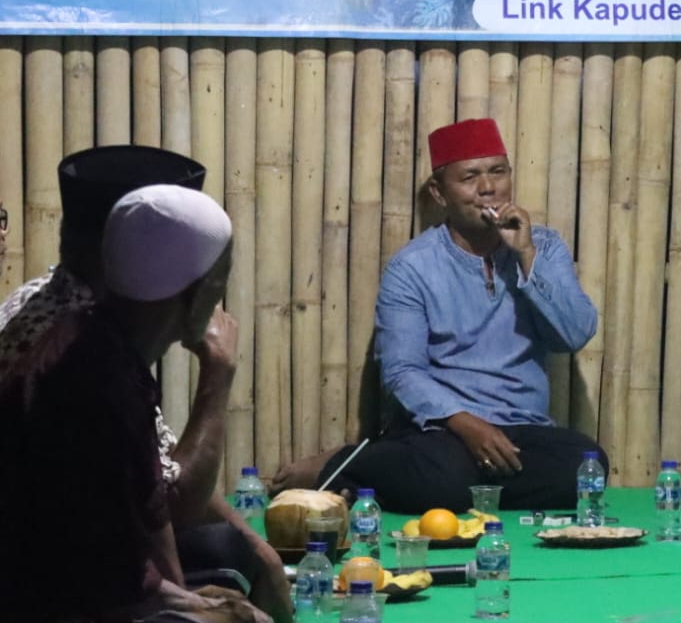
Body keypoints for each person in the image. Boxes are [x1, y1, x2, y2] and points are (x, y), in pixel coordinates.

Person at [0, 146, 290, 622]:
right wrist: (187, 609)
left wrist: (187, 599)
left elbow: (141, 502)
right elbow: (107, 563)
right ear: (195, 289)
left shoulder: (100, 343)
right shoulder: (90, 376)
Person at [271, 118, 604, 513]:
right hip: (444, 432)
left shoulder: (543, 246)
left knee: (587, 467)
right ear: (439, 192)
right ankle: (344, 464)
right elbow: (402, 371)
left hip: (521, 432)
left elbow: (575, 333)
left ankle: (430, 483)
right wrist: (466, 424)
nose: (487, 187)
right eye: (470, 177)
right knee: (445, 480)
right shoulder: (412, 267)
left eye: (498, 172)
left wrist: (526, 255)